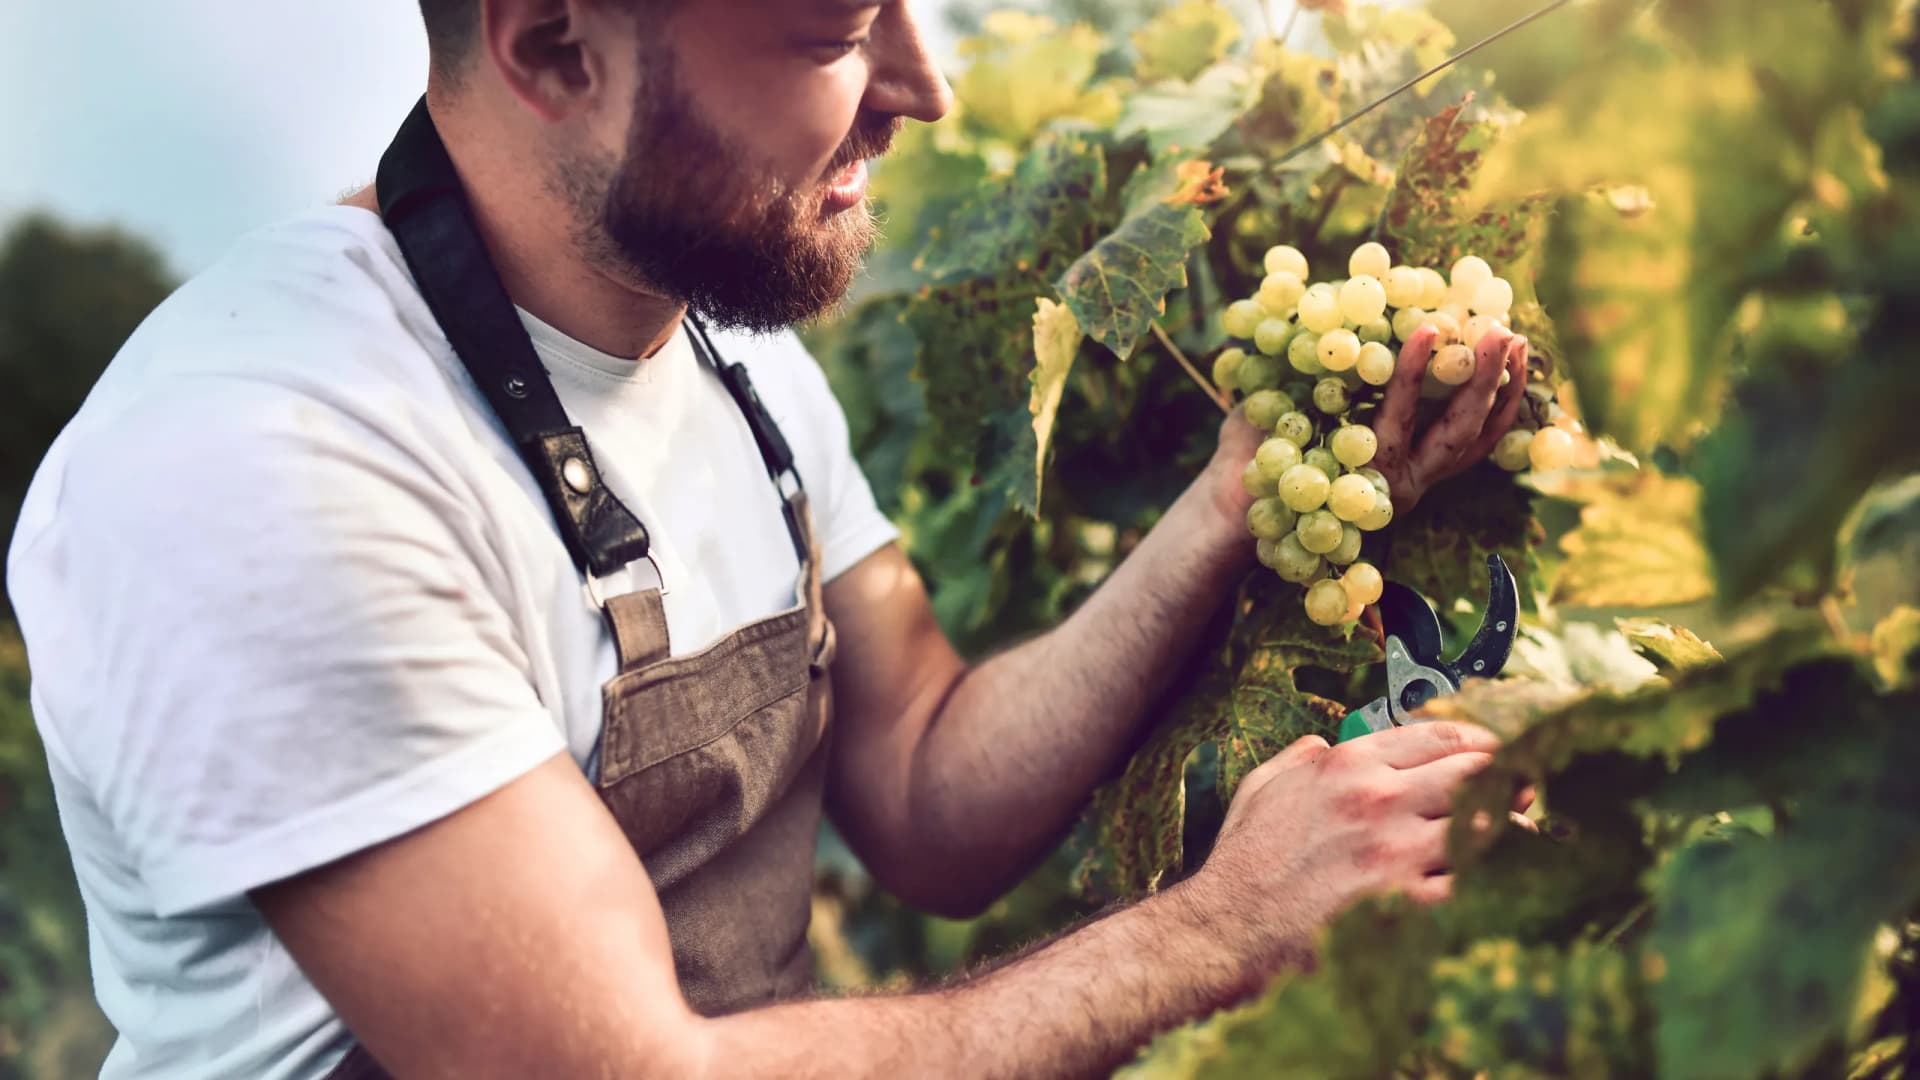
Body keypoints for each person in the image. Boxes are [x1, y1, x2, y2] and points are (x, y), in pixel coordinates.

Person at [4, 1, 1532, 1076]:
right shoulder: (267, 465)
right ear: (550, 45)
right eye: (837, 31)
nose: (922, 89)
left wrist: (1226, 506)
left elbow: (929, 785)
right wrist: (1217, 930)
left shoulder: (734, 362)